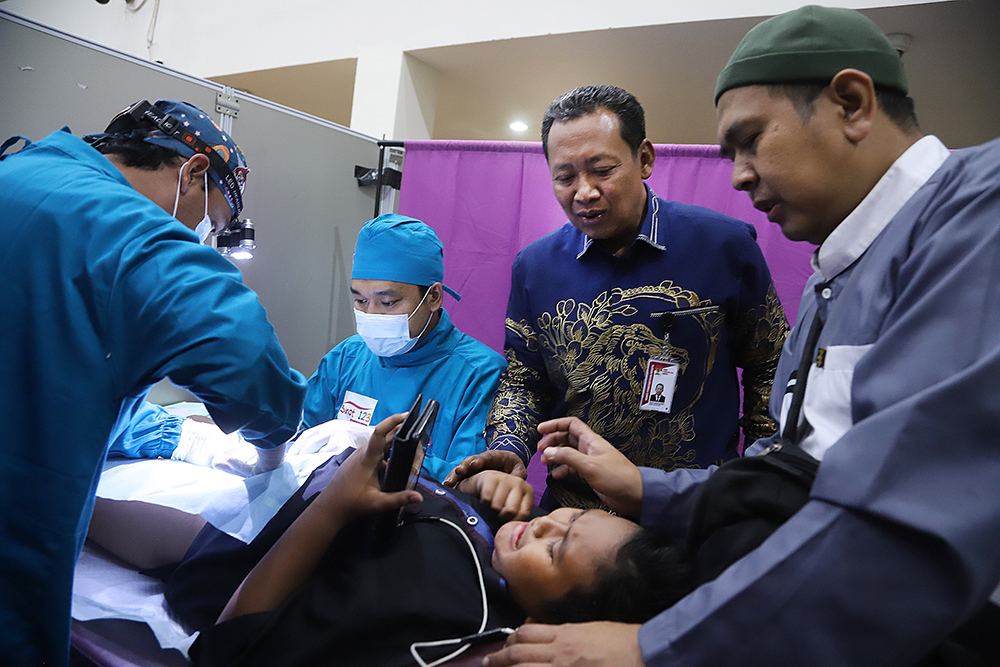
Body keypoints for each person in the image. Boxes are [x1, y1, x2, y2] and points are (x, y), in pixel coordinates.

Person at [482, 6, 1000, 666]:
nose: (740, 174)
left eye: (751, 140)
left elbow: (895, 510)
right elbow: (795, 461)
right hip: (631, 522)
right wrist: (518, 451)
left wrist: (659, 641)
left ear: (851, 102)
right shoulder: (832, 273)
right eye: (564, 176)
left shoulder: (973, 216)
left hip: (753, 563)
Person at [0, 99, 307, 666]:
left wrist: (182, 439)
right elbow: (248, 363)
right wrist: (271, 444)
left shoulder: (16, 171)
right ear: (191, 173)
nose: (197, 237)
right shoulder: (127, 230)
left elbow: (53, 375)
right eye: (205, 223)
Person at [86, 414, 692, 667]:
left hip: (266, 551)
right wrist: (475, 486)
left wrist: (334, 504)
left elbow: (230, 644)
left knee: (189, 546)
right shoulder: (505, 552)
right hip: (318, 498)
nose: (544, 526)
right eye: (570, 518)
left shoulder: (444, 619)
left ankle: (54, 506)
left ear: (555, 620)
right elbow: (461, 523)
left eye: (555, 550)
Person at [457, 85, 788, 508]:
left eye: (602, 169)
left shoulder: (723, 245)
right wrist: (509, 445)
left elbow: (771, 366)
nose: (584, 192)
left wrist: (761, 482)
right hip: (573, 516)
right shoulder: (535, 267)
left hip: (693, 507)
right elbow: (524, 380)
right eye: (565, 176)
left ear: (645, 159)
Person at [301, 214, 507, 482]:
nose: (371, 315)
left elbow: (469, 480)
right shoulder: (346, 358)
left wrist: (383, 456)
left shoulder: (479, 374)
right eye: (361, 301)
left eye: (388, 303)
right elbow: (300, 443)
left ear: (433, 297)